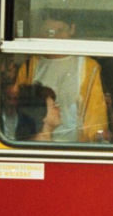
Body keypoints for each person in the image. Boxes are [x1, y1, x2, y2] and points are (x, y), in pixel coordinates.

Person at [15, 8, 107, 142]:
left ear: (72, 29)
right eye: (49, 32)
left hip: (74, 148)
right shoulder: (30, 66)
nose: (55, 37)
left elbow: (96, 116)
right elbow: (19, 111)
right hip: (37, 144)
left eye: (60, 31)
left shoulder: (88, 67)